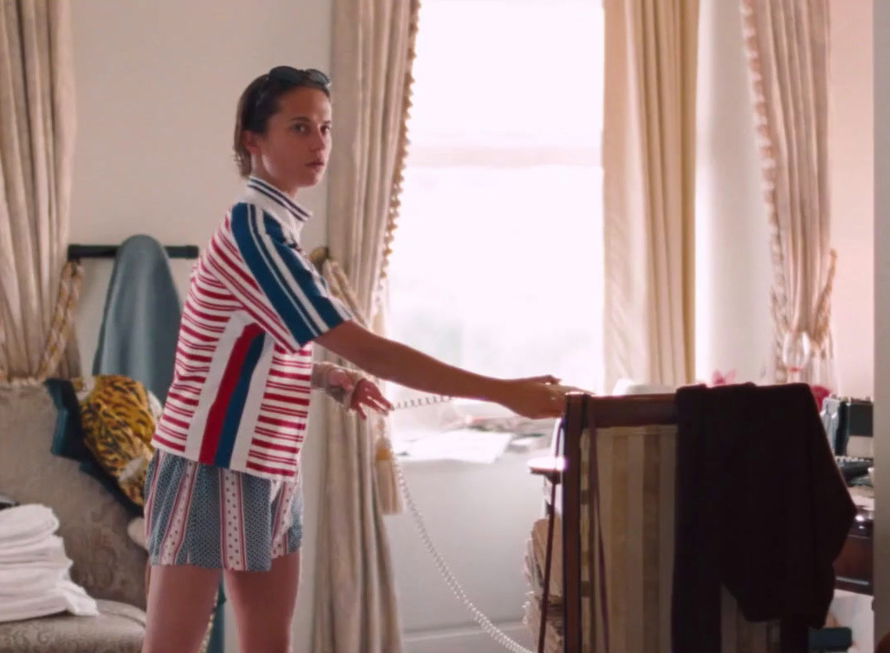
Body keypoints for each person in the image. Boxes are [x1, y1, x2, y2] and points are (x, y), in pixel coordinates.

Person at [141, 65, 574, 653]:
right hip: (208, 459)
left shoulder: (279, 228)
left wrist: (323, 375)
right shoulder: (255, 231)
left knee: (269, 644)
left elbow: (241, 343)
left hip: (268, 460)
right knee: (175, 646)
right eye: (299, 128)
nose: (319, 144)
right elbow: (362, 342)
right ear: (252, 140)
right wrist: (501, 390)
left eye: (324, 128)